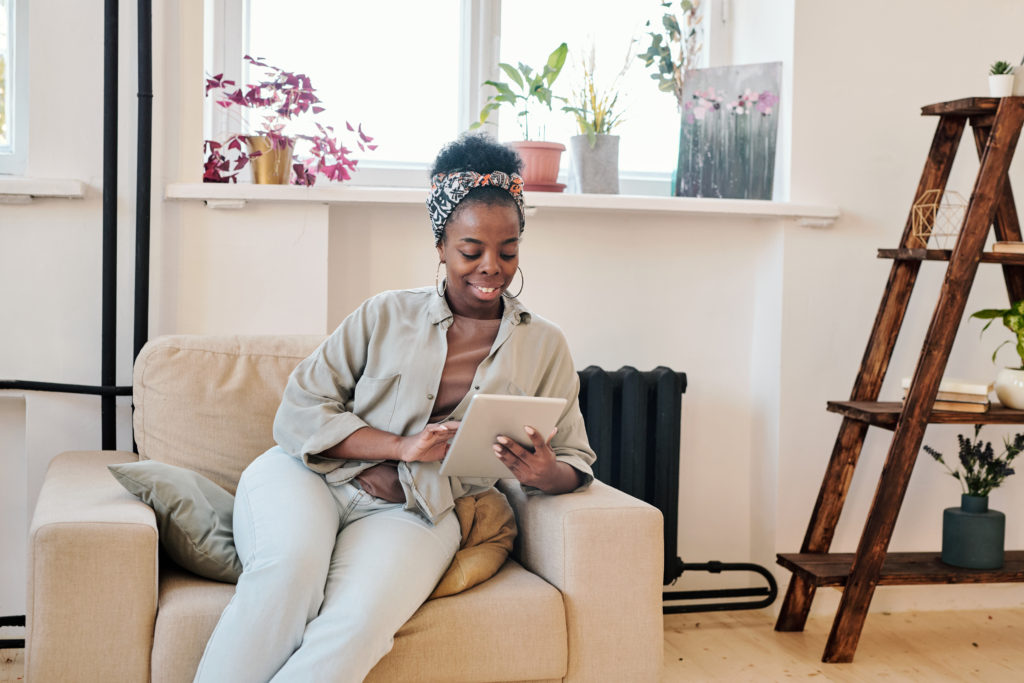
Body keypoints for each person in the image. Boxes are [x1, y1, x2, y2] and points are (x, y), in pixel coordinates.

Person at [194, 133, 596, 683]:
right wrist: (401, 447)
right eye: (470, 250)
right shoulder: (383, 314)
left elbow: (576, 458)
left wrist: (548, 472)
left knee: (358, 626)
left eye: (507, 251)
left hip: (417, 512)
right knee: (288, 575)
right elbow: (299, 410)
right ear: (440, 246)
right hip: (308, 478)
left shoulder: (544, 344)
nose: (491, 268)